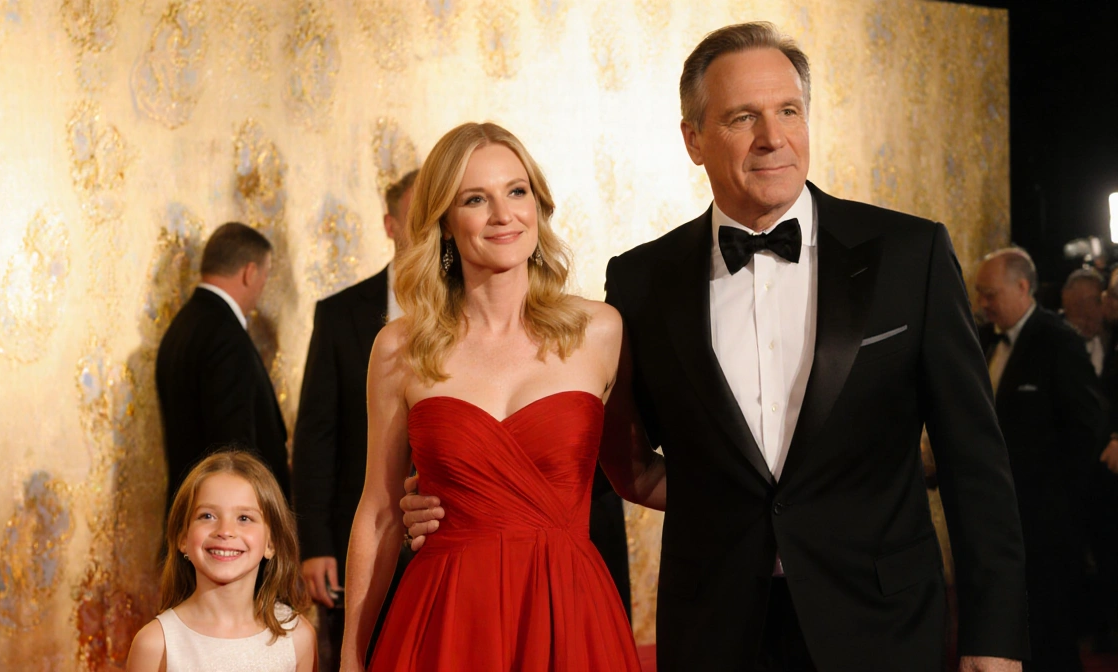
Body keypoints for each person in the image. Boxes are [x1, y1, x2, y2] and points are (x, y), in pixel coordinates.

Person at [403, 22, 1029, 671]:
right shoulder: (641, 281)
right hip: (715, 631)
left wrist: (995, 641)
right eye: (743, 117)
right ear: (693, 139)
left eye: (789, 111)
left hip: (883, 628)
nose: (773, 137)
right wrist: (450, 489)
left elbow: (975, 461)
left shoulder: (909, 254)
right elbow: (603, 452)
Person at [340, 122, 641, 671]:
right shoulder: (400, 348)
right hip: (447, 618)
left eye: (516, 191)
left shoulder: (600, 331)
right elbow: (379, 512)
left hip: (567, 613)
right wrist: (350, 656)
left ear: (537, 205)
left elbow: (634, 470)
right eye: (476, 199)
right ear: (445, 223)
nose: (504, 215)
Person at [291, 169, 419, 670]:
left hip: (448, 541)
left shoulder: (475, 308)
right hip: (358, 537)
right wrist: (316, 544)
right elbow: (315, 438)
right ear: (390, 225)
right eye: (417, 215)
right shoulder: (339, 314)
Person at [975, 248, 1105, 671]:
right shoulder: (985, 340)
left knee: (1051, 638)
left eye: (990, 294)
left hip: (1046, 524)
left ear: (1022, 287)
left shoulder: (1058, 341)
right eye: (979, 293)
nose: (982, 303)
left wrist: (1061, 507)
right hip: (998, 520)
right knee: (1009, 634)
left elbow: (1087, 430)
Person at [126, 450, 316, 672]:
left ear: (271, 543)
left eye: (244, 518)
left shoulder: (297, 637)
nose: (225, 531)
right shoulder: (155, 645)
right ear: (183, 538)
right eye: (207, 516)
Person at [155, 222, 290, 510]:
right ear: (250, 273)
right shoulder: (226, 337)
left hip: (192, 511)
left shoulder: (181, 326)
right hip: (222, 519)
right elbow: (234, 451)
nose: (262, 287)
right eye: (265, 276)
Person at [1061, 266, 1107, 376]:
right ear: (1065, 301)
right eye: (1079, 304)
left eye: (1094, 302)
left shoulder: (1110, 342)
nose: (1087, 311)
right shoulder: (1051, 337)